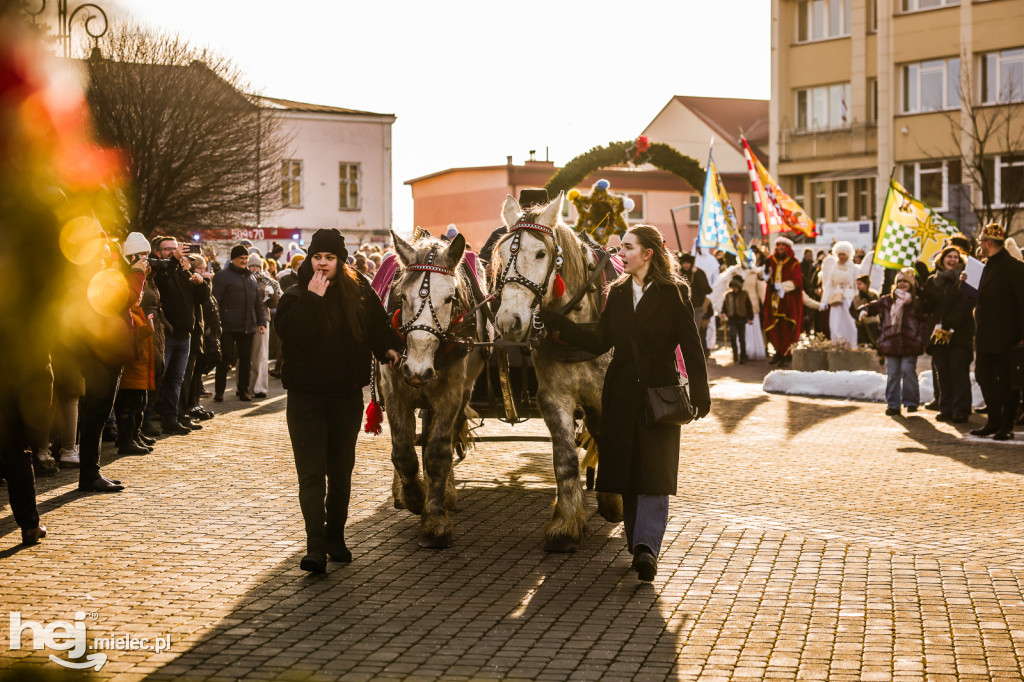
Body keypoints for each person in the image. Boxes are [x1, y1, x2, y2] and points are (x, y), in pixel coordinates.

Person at [539, 224, 711, 582]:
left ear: (648, 254)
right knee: (630, 472)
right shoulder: (615, 293)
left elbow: (691, 345)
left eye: (628, 248)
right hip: (620, 392)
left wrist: (700, 393)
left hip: (659, 392)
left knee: (656, 473)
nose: (620, 253)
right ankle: (638, 546)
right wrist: (559, 324)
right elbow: (601, 340)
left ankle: (647, 546)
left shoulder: (674, 291)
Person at [274, 228, 403, 574]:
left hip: (346, 396)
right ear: (310, 259)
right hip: (306, 398)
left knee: (341, 472)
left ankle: (336, 538)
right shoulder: (295, 294)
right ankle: (315, 546)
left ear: (340, 260)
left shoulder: (358, 292)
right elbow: (293, 336)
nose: (323, 264)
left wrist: (388, 348)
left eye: (330, 258)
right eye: (318, 257)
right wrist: (313, 300)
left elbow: (377, 326)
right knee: (312, 474)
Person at [150, 236, 210, 434]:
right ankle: (146, 422)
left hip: (185, 335)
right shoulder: (159, 271)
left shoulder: (184, 273)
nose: (172, 252)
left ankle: (171, 419)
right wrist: (175, 261)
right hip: (167, 334)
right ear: (158, 252)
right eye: (168, 249)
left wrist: (200, 282)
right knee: (158, 377)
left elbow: (202, 299)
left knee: (176, 380)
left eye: (175, 249)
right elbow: (163, 284)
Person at [970, 223, 1024, 440]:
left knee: (1008, 382)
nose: (979, 246)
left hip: (1007, 336)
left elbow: (1022, 303)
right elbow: (976, 299)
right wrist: (967, 285)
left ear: (989, 243)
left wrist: (1021, 335)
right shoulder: (985, 266)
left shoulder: (1015, 268)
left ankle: (1005, 425)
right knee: (983, 375)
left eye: (981, 242)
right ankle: (993, 421)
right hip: (985, 335)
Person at [858, 268, 929, 416]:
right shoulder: (888, 299)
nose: (902, 284)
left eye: (905, 281)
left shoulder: (916, 301)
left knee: (908, 371)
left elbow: (924, 322)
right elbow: (874, 306)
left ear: (911, 283)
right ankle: (893, 405)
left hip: (910, 343)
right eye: (899, 281)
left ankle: (911, 402)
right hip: (891, 342)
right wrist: (864, 309)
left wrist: (921, 339)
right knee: (893, 374)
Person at [920, 244, 974, 424]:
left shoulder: (965, 279)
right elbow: (929, 307)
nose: (952, 260)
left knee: (958, 370)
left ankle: (960, 410)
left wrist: (952, 321)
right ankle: (946, 408)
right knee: (942, 371)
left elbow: (967, 304)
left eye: (955, 257)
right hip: (939, 332)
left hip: (959, 332)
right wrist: (921, 294)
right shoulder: (932, 281)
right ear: (941, 259)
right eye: (949, 257)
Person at [212, 245, 267, 402]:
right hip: (227, 326)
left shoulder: (250, 278)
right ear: (233, 259)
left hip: (247, 326)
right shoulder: (222, 277)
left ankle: (243, 391)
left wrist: (261, 322)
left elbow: (257, 302)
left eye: (246, 259)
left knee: (245, 359)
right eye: (241, 259)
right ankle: (219, 392)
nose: (244, 261)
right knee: (225, 358)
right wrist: (218, 323)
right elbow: (215, 301)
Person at [820, 241, 872, 349]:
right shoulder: (833, 268)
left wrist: (859, 302)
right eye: (839, 254)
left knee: (850, 324)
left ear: (848, 254)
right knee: (835, 324)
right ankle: (837, 345)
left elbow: (857, 286)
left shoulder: (854, 269)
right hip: (836, 300)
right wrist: (824, 300)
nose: (841, 257)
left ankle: (852, 345)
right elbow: (829, 285)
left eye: (843, 254)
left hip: (849, 300)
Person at [762, 237, 804, 366]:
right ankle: (778, 351)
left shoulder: (794, 263)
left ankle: (786, 353)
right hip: (773, 300)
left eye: (783, 245)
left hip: (787, 302)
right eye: (778, 245)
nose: (780, 247)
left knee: (786, 328)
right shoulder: (771, 260)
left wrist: (782, 286)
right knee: (773, 327)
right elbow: (763, 277)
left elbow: (798, 282)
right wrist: (765, 271)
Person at [248, 254, 282, 399]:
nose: (254, 269)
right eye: (252, 265)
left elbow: (275, 304)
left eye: (257, 266)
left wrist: (272, 294)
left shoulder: (268, 281)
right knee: (245, 356)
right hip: (244, 321)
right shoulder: (243, 279)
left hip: (262, 321)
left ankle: (259, 388)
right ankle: (244, 385)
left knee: (261, 355)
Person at [678, 253, 713, 356]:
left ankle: (697, 352)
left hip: (697, 307)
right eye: (684, 263)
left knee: (696, 330)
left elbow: (706, 288)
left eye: (688, 263)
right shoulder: (680, 274)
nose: (686, 265)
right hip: (683, 306)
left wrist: (696, 274)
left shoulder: (698, 272)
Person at [722, 275, 754, 364]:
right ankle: (735, 355)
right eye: (733, 287)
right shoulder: (728, 295)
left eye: (736, 287)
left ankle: (743, 356)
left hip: (742, 319)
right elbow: (725, 306)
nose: (734, 288)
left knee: (742, 339)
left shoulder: (744, 294)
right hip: (732, 319)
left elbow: (749, 306)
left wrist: (751, 318)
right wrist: (723, 313)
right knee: (732, 337)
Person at [852, 275, 880, 348]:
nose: (858, 286)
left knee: (873, 343)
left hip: (872, 323)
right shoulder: (856, 297)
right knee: (861, 344)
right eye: (857, 284)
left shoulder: (873, 294)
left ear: (866, 284)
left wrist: (867, 297)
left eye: (860, 284)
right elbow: (852, 310)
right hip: (861, 324)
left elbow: (875, 307)